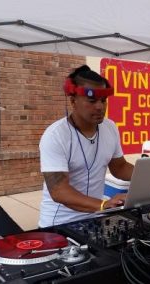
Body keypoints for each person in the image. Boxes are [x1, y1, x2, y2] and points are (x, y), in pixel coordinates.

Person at [38, 65, 134, 227]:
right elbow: (58, 191)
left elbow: (120, 167)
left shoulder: (110, 127)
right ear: (73, 101)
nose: (100, 106)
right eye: (92, 101)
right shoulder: (55, 135)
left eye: (103, 101)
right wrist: (104, 204)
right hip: (60, 224)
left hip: (95, 218)